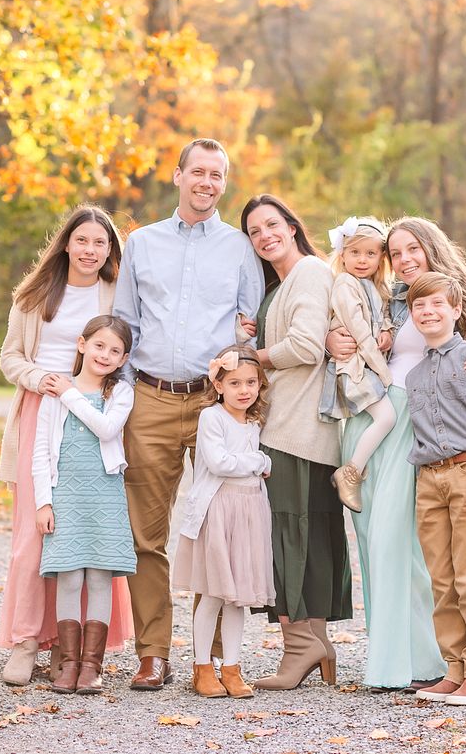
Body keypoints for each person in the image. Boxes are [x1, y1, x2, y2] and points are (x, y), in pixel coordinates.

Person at [329, 215, 466, 692]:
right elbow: (355, 334)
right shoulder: (389, 299)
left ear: (432, 247)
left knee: (458, 552)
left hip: (434, 431)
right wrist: (336, 340)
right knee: (391, 543)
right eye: (397, 253)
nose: (404, 260)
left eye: (413, 249)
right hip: (384, 423)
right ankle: (408, 657)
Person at [112, 139, 264, 690]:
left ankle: (217, 655)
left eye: (217, 174)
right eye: (197, 172)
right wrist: (127, 393)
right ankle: (153, 652)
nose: (206, 182)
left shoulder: (240, 248)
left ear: (224, 183)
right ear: (177, 176)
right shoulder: (142, 244)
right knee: (146, 534)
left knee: (219, 527)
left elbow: (251, 325)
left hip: (214, 402)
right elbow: (123, 322)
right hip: (150, 398)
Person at [0, 205, 134, 687]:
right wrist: (44, 380)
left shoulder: (116, 292)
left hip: (97, 412)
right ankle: (26, 639)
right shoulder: (35, 294)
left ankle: (70, 648)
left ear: (109, 250)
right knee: (36, 536)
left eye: (100, 243)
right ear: (67, 243)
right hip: (44, 408)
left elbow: (131, 346)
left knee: (90, 531)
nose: (90, 251)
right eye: (82, 241)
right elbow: (10, 356)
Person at [239, 194, 353, 690]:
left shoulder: (307, 272)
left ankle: (299, 645)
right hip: (302, 432)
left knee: (286, 539)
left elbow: (305, 347)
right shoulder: (286, 282)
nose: (264, 236)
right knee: (302, 537)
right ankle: (315, 643)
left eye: (271, 225)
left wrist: (248, 357)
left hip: (294, 430)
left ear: (291, 225)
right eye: (254, 232)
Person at [405, 272, 466, 706]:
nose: (428, 313)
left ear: (456, 310)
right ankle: (455, 669)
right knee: (441, 581)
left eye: (437, 305)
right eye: (419, 307)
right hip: (429, 481)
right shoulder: (413, 375)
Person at [32, 315, 137, 694]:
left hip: (104, 495)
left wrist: (70, 395)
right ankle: (68, 664)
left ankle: (92, 666)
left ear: (124, 358)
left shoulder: (120, 393)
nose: (105, 355)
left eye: (115, 350)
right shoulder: (54, 395)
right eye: (98, 345)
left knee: (99, 577)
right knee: (69, 576)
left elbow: (107, 429)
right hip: (66, 496)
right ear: (82, 344)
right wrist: (44, 502)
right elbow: (42, 453)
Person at [173, 346, 275, 699]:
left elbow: (255, 467)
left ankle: (231, 667)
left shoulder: (254, 421)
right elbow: (218, 462)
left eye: (251, 382)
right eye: (234, 383)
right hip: (218, 510)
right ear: (218, 385)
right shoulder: (212, 418)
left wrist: (257, 462)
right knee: (215, 594)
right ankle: (203, 667)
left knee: (237, 598)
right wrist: (258, 460)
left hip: (250, 511)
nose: (243, 390)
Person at [318, 216, 396, 513]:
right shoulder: (345, 285)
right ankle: (349, 472)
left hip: (366, 365)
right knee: (387, 418)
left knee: (383, 419)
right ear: (342, 255)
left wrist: (387, 332)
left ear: (380, 258)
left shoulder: (374, 287)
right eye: (355, 253)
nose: (362, 260)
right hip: (354, 368)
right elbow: (361, 333)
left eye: (371, 253)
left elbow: (379, 321)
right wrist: (384, 373)